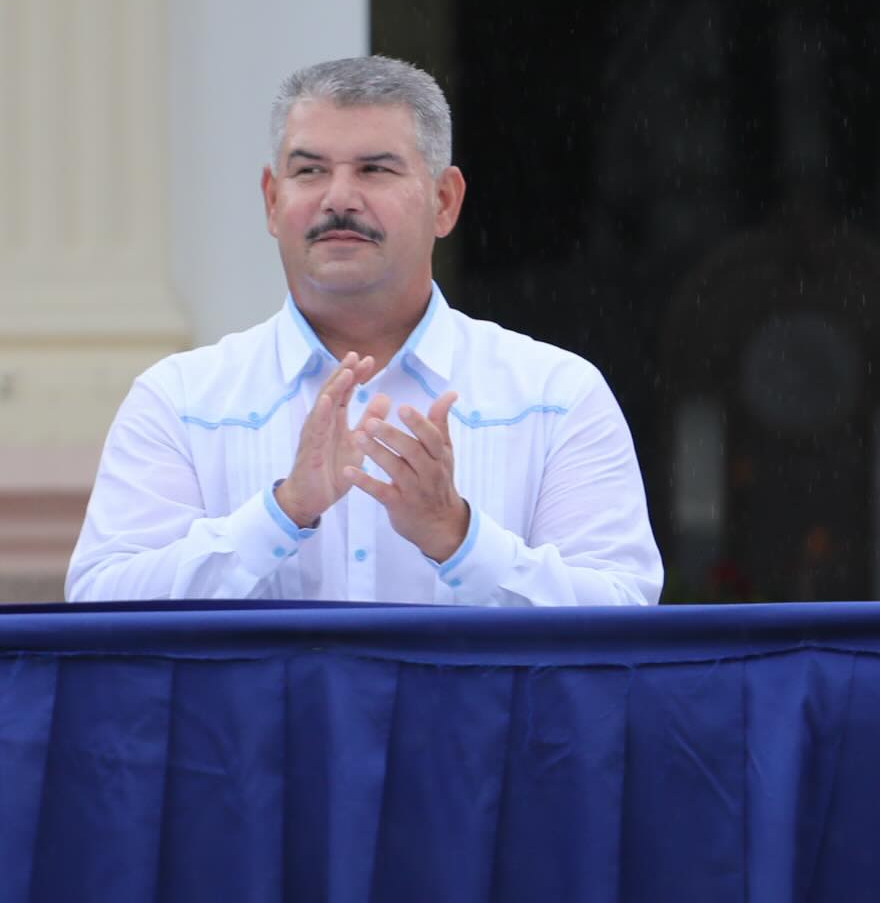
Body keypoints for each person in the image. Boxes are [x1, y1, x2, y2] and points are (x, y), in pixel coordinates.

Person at [68, 57, 663, 605]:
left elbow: (623, 618)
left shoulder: (556, 397)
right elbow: (100, 606)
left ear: (444, 201)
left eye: (375, 169)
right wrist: (281, 514)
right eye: (310, 171)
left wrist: (458, 538)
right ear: (272, 201)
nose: (339, 198)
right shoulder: (180, 401)